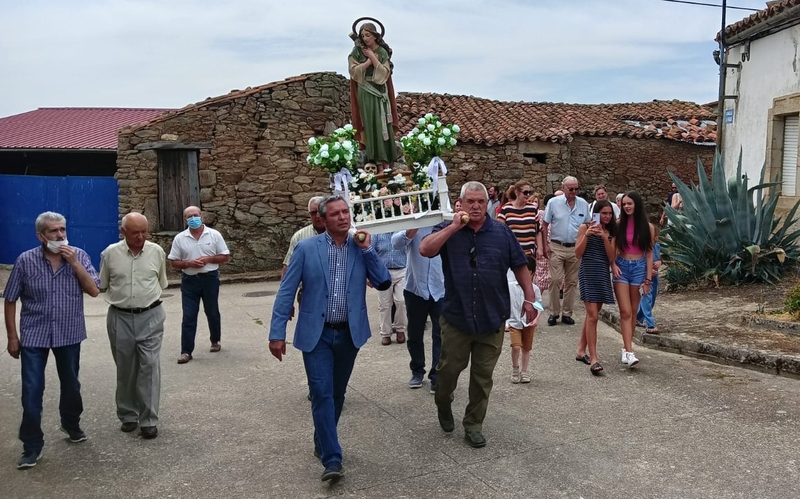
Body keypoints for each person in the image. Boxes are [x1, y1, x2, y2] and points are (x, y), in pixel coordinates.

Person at [268, 195, 391, 482]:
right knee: (322, 393)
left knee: (337, 394)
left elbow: (383, 281)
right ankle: (332, 458)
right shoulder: (306, 248)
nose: (342, 217)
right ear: (323, 219)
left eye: (346, 212)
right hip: (317, 335)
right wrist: (277, 333)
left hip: (349, 333)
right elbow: (287, 291)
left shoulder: (360, 247)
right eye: (335, 213)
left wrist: (369, 250)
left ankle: (322, 438)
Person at [420, 181, 538, 449]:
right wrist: (453, 227)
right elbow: (425, 249)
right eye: (470, 201)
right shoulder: (449, 230)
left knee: (482, 377)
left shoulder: (501, 232)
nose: (475, 206)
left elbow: (519, 265)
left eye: (480, 202)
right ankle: (443, 402)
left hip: (491, 318)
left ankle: (473, 424)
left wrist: (530, 298)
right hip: (457, 317)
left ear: (488, 204)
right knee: (448, 371)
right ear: (460, 203)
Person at [4, 212, 100, 469]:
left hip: (69, 334)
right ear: (41, 236)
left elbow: (94, 290)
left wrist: (75, 264)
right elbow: (10, 298)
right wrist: (12, 337)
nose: (60, 235)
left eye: (62, 230)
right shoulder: (25, 261)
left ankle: (71, 424)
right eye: (54, 231)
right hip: (34, 335)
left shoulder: (78, 254)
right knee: (32, 390)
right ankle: (32, 446)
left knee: (71, 384)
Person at [100, 212, 169, 439]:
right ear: (123, 232)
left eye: (144, 231)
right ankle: (128, 415)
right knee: (126, 368)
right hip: (120, 317)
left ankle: (149, 420)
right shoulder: (110, 254)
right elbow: (104, 284)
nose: (140, 236)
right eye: (135, 232)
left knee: (149, 366)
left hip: (150, 314)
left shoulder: (157, 252)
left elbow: (161, 282)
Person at [168, 206, 230, 364]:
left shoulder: (214, 235)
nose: (193, 218)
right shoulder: (180, 238)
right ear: (185, 220)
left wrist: (209, 259)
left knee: (212, 311)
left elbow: (225, 256)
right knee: (189, 316)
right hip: (189, 280)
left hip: (210, 278)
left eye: (195, 215)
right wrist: (187, 263)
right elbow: (173, 262)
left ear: (201, 216)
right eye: (189, 216)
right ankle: (186, 351)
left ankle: (215, 340)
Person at [392, 227, 444, 391]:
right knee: (414, 334)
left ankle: (437, 375)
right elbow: (396, 243)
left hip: (441, 288)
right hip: (415, 287)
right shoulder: (413, 222)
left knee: (441, 335)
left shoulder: (445, 221)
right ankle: (417, 370)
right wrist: (413, 227)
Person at [348, 22, 399, 172]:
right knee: (371, 123)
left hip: (381, 91)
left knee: (384, 124)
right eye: (363, 36)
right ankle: (376, 163)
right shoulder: (357, 51)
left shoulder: (382, 52)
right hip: (366, 90)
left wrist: (373, 57)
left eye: (368, 35)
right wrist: (368, 62)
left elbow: (384, 73)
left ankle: (387, 163)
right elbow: (354, 71)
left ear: (375, 35)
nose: (365, 38)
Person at [612, 191, 655, 368]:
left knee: (633, 311)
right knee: (625, 311)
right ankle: (629, 351)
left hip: (639, 269)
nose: (627, 207)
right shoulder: (618, 224)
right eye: (624, 204)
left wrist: (648, 279)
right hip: (622, 267)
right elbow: (613, 247)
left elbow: (650, 253)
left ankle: (626, 348)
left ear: (637, 205)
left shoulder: (648, 227)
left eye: (630, 203)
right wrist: (613, 264)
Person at [575, 200, 617, 376]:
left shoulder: (612, 232)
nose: (606, 216)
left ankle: (580, 350)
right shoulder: (585, 228)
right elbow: (578, 253)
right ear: (596, 213)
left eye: (609, 213)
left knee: (592, 316)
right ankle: (594, 358)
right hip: (588, 272)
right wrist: (588, 235)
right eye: (604, 213)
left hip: (602, 273)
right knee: (593, 316)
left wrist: (603, 237)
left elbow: (611, 256)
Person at [542, 177, 590, 326]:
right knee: (555, 280)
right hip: (557, 245)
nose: (574, 192)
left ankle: (567, 313)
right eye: (571, 189)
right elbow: (544, 224)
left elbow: (588, 223)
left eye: (576, 189)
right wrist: (545, 244)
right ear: (563, 188)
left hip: (575, 247)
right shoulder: (553, 203)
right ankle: (554, 312)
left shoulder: (583, 204)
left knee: (571, 282)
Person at [506, 263, 542, 384]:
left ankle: (524, 371)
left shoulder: (535, 289)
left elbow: (538, 305)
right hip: (514, 322)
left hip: (528, 323)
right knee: (516, 346)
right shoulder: (510, 287)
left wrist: (536, 320)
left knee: (526, 348)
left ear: (531, 273)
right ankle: (515, 369)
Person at [372, 231, 407, 345]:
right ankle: (385, 333)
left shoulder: (402, 231)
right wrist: (371, 274)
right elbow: (371, 252)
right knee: (385, 304)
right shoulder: (378, 234)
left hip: (402, 270)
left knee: (401, 301)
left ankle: (400, 329)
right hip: (384, 272)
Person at [498, 180, 544, 266]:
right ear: (517, 192)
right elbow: (499, 230)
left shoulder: (532, 209)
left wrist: (540, 248)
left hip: (529, 254)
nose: (528, 195)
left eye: (530, 192)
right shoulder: (506, 208)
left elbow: (538, 230)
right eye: (525, 192)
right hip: (511, 253)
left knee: (528, 278)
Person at [637, 227, 662, 334]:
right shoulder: (642, 247)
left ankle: (638, 318)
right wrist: (649, 270)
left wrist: (659, 262)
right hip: (645, 275)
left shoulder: (657, 246)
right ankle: (650, 323)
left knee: (652, 299)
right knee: (646, 298)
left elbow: (658, 258)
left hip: (654, 276)